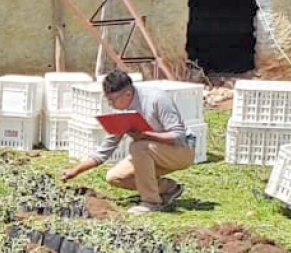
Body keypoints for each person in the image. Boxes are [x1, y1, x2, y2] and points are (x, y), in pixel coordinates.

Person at [62, 71, 195, 214]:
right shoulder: (122, 112)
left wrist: (146, 134)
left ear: (127, 94)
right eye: (108, 100)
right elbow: (105, 150)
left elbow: (178, 135)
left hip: (181, 150)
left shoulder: (157, 99)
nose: (111, 104)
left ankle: (151, 202)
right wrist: (75, 171)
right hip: (152, 151)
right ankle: (168, 188)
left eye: (113, 100)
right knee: (115, 177)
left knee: (138, 147)